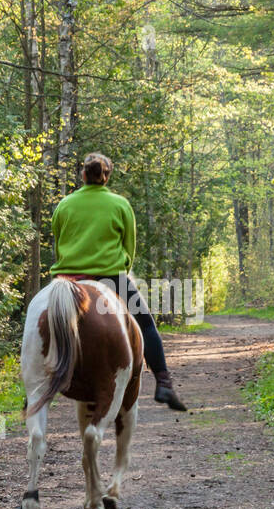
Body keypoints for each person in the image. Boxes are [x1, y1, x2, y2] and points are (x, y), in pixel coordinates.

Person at [50, 152, 187, 411]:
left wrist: (69, 269)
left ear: (83, 175)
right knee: (146, 324)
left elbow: (59, 244)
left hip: (67, 278)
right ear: (107, 176)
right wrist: (121, 268)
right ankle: (164, 382)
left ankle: (32, 387)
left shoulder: (64, 204)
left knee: (39, 321)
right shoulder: (120, 204)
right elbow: (129, 249)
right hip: (110, 278)